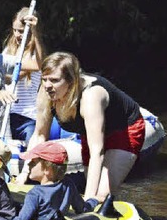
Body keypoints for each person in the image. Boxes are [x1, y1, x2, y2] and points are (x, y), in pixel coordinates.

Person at [16, 52, 145, 202]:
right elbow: (39, 135)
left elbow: (97, 151)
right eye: (44, 79)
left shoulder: (91, 96)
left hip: (124, 130)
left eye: (54, 80)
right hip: (88, 131)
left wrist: (89, 200)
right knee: (89, 184)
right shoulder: (46, 92)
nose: (48, 86)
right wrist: (24, 173)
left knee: (101, 195)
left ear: (72, 81)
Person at [11, 141, 98, 220]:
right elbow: (82, 208)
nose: (28, 164)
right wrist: (93, 201)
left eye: (33, 162)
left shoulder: (34, 194)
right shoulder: (68, 185)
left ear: (47, 170)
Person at [3, 7, 46, 143]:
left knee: (31, 148)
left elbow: (39, 64)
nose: (17, 35)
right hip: (8, 113)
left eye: (21, 31)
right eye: (14, 30)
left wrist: (36, 32)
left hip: (28, 116)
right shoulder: (8, 50)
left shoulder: (35, 53)